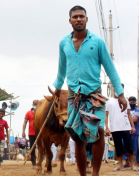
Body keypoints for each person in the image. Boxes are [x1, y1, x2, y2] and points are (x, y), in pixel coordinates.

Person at [52, 5, 127, 176]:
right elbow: (61, 68)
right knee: (78, 137)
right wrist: (57, 87)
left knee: (99, 132)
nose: (79, 19)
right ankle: (83, 174)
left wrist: (120, 94)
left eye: (82, 16)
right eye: (75, 17)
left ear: (86, 19)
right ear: (70, 20)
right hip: (74, 97)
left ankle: (95, 173)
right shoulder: (64, 43)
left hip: (94, 96)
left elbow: (110, 68)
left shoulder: (97, 42)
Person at [105, 87, 138, 171]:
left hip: (126, 127)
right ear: (113, 90)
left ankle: (133, 165)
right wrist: (107, 127)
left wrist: (133, 126)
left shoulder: (125, 101)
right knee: (118, 147)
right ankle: (120, 165)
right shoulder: (108, 102)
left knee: (129, 146)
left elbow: (129, 114)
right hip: (114, 128)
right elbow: (106, 115)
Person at [22, 100, 38, 169]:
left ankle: (40, 161)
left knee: (41, 147)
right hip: (31, 133)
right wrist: (23, 131)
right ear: (32, 104)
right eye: (35, 104)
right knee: (32, 148)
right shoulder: (28, 113)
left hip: (39, 133)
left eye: (37, 104)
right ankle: (34, 163)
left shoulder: (41, 112)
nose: (36, 105)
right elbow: (25, 122)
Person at [128, 96, 139, 167]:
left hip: (136, 132)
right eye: (131, 102)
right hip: (127, 132)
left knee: (136, 148)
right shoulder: (127, 110)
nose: (132, 103)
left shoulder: (137, 110)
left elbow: (135, 119)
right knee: (126, 146)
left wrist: (127, 119)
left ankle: (137, 163)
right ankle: (127, 162)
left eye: (134, 102)